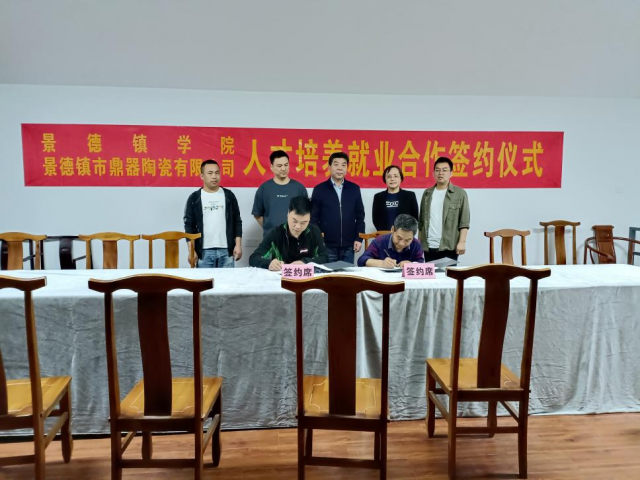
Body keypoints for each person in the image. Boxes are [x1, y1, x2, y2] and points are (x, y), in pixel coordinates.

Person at [183, 159, 242, 268]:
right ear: (202, 176)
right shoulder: (195, 198)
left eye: (217, 173)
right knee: (205, 279)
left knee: (228, 280)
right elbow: (189, 226)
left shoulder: (229, 196)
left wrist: (238, 245)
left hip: (226, 251)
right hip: (204, 252)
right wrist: (191, 251)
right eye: (210, 173)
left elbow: (237, 221)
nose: (214, 176)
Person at [310, 152, 365, 264]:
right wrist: (319, 240)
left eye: (343, 165)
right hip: (327, 245)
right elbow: (313, 218)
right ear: (329, 167)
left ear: (347, 168)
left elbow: (360, 216)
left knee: (347, 274)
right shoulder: (319, 189)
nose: (340, 168)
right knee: (328, 274)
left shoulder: (354, 189)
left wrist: (359, 238)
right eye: (336, 164)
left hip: (349, 245)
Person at [250, 196, 329, 271]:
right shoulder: (276, 233)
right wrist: (269, 263)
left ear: (309, 218)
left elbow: (325, 257)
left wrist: (305, 262)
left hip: (308, 277)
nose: (298, 226)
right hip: (281, 278)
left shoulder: (314, 231)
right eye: (294, 221)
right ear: (288, 213)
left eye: (303, 222)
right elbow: (253, 258)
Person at [418, 157, 470, 262]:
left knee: (448, 273)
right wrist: (419, 243)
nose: (440, 173)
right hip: (428, 246)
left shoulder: (460, 194)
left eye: (444, 170)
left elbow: (464, 222)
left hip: (449, 246)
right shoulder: (427, 193)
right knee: (430, 273)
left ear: (451, 173)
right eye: (437, 170)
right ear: (433, 173)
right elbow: (421, 223)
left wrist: (462, 242)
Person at [251, 150, 308, 235]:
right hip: (271, 238)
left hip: (295, 238)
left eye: (286, 165)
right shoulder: (264, 188)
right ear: (271, 167)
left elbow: (306, 214)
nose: (283, 169)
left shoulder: (299, 188)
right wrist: (269, 228)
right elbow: (257, 215)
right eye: (279, 166)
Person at [358, 214, 424, 267]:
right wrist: (382, 263)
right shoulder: (379, 241)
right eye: (399, 238)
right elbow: (362, 260)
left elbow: (421, 263)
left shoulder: (416, 244)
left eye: (407, 240)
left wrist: (412, 265)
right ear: (392, 229)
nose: (402, 243)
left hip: (405, 279)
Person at [371, 165, 419, 231]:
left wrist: (404, 233)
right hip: (385, 235)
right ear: (385, 179)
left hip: (404, 235)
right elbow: (376, 219)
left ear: (400, 178)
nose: (392, 179)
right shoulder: (378, 197)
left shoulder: (410, 196)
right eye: (389, 177)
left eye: (395, 176)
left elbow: (414, 218)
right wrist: (385, 233)